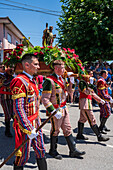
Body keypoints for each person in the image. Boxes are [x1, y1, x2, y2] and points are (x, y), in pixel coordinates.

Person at [42, 60, 85, 160]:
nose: (65, 70)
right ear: (56, 68)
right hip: (56, 110)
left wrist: (71, 82)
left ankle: (73, 150)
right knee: (55, 130)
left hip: (64, 108)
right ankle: (53, 150)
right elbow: (44, 98)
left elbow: (70, 93)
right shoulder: (49, 80)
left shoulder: (62, 79)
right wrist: (53, 111)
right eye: (62, 68)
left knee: (68, 128)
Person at [10, 53, 47, 170]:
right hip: (25, 125)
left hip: (36, 121)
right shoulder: (19, 81)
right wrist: (29, 128)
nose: (38, 67)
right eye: (35, 64)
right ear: (27, 65)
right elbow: (18, 108)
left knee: (41, 150)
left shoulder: (32, 80)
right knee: (23, 156)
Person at [76, 74, 109, 142]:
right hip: (85, 104)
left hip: (87, 103)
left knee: (82, 119)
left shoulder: (87, 83)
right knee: (92, 120)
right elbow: (87, 92)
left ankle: (79, 134)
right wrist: (90, 85)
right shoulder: (82, 83)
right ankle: (99, 136)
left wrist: (100, 100)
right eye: (90, 74)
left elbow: (93, 94)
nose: (91, 75)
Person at [0, 63, 14, 137]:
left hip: (11, 96)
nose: (2, 68)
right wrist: (12, 78)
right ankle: (7, 131)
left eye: (3, 67)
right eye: (1, 67)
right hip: (4, 97)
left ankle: (16, 129)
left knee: (13, 114)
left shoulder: (8, 75)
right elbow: (4, 84)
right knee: (8, 114)